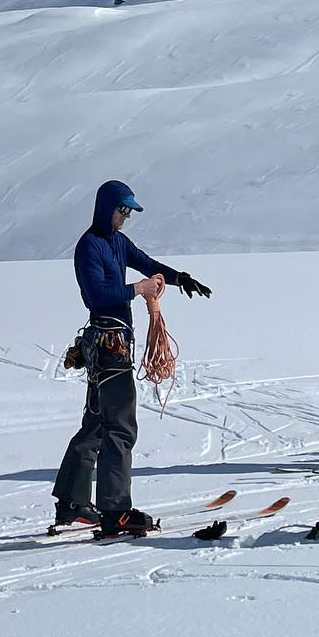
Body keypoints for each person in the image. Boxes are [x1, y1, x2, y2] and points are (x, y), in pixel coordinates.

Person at [53, 179, 212, 539]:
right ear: (106, 207)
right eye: (122, 209)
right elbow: (97, 294)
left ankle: (72, 501)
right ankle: (115, 511)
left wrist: (179, 278)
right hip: (109, 345)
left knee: (96, 424)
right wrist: (136, 289)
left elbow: (146, 263)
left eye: (128, 211)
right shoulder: (89, 246)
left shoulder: (118, 243)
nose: (125, 217)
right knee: (121, 426)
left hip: (109, 343)